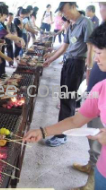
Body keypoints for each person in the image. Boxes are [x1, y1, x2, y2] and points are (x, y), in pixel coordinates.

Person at [24, 22, 106, 190]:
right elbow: (76, 121)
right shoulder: (101, 88)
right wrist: (43, 131)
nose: (95, 58)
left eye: (99, 53)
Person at [43, 2, 93, 147]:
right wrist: (50, 60)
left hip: (77, 64)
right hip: (68, 63)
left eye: (65, 12)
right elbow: (64, 47)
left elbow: (90, 49)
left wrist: (89, 70)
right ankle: (62, 130)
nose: (65, 15)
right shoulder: (71, 24)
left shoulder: (86, 23)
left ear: (73, 6)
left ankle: (62, 135)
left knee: (68, 99)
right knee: (64, 97)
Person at [71, 3, 106, 190]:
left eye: (104, 6)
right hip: (96, 93)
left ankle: (91, 182)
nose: (102, 10)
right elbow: (76, 122)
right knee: (94, 137)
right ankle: (91, 168)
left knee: (98, 139)